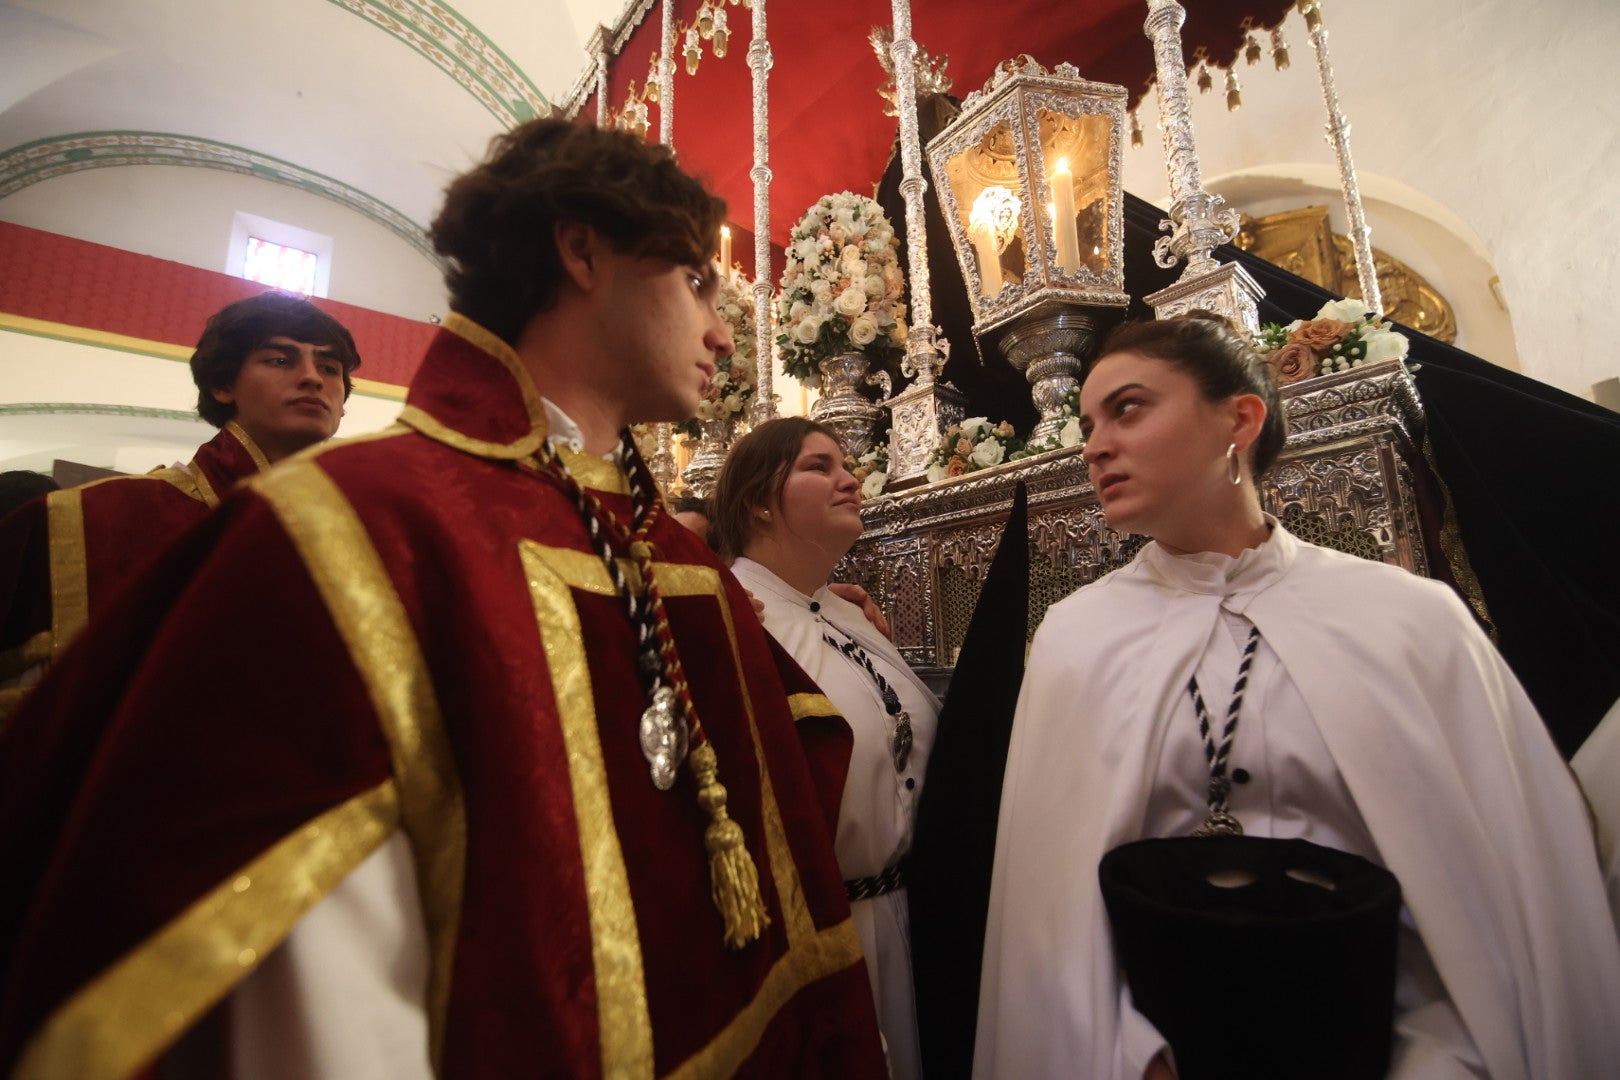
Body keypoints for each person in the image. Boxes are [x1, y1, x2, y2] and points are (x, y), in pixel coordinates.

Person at [0, 119, 886, 1077]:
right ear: (582, 249)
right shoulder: (356, 525)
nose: (720, 329)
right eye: (696, 281)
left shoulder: (669, 546)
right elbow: (313, 1002)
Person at [973, 313, 1620, 1080]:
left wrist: (1440, 1059)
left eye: (1130, 408)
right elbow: (1049, 921)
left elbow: (1500, 904)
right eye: (1088, 423)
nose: (1095, 445)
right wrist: (1133, 1057)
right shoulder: (1076, 637)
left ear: (1240, 419)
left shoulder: (1411, 621)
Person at [0, 291, 358, 718]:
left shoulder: (361, 538)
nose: (312, 378)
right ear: (223, 385)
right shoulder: (91, 520)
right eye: (280, 360)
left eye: (329, 367)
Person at [714, 417, 938, 1080]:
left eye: (847, 464)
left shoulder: (842, 610)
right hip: (825, 942)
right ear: (759, 499)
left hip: (913, 917)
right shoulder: (733, 615)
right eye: (820, 466)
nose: (850, 480)